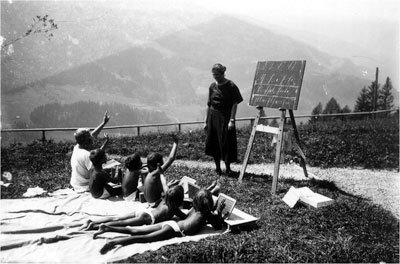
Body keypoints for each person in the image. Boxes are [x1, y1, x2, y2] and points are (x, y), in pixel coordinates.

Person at [96, 188, 227, 254]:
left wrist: (212, 193)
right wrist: (219, 211)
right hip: (175, 230)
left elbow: (201, 199)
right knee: (145, 238)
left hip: (171, 224)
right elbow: (217, 225)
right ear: (209, 204)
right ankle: (113, 242)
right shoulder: (207, 214)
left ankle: (108, 228)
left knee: (137, 230)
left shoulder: (195, 208)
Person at [82, 185, 186, 234]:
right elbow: (184, 217)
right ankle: (97, 226)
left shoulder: (164, 200)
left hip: (145, 211)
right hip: (148, 218)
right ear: (179, 200)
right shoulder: (174, 209)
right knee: (123, 223)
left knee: (117, 218)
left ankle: (93, 221)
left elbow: (164, 190)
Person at [204, 63, 243, 176]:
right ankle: (217, 168)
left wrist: (232, 120)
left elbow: (235, 103)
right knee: (214, 141)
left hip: (225, 117)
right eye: (213, 75)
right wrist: (205, 121)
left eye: (217, 74)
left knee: (226, 142)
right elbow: (208, 104)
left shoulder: (231, 86)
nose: (215, 76)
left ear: (222, 73)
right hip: (213, 116)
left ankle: (228, 168)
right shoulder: (212, 87)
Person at [70, 111, 110, 192]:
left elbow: (93, 136)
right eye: (89, 138)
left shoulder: (77, 147)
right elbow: (96, 171)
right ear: (86, 141)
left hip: (75, 183)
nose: (92, 138)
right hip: (84, 186)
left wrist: (103, 123)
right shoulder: (86, 155)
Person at [143, 135, 179, 205]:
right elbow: (171, 159)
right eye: (162, 162)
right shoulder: (156, 172)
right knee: (175, 193)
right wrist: (175, 143)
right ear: (158, 165)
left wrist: (168, 185)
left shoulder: (150, 173)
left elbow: (157, 188)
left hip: (149, 201)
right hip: (156, 203)